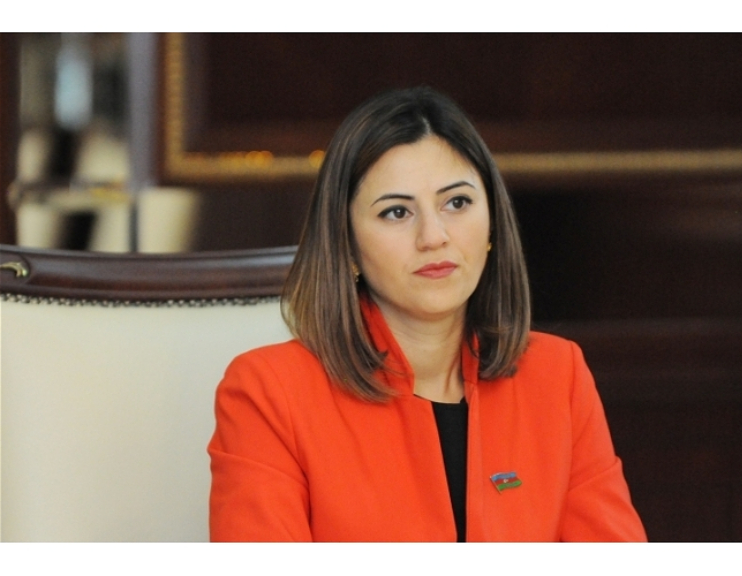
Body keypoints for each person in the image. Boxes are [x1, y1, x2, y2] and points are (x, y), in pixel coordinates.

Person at [208, 86, 647, 542]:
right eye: (396, 212)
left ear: (493, 223)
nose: (434, 236)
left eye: (457, 203)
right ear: (346, 243)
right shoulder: (269, 393)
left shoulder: (558, 376)